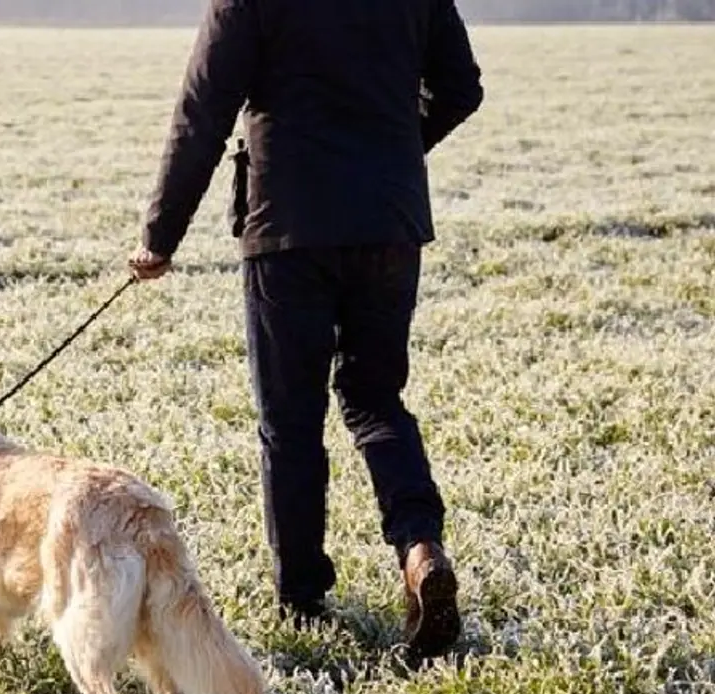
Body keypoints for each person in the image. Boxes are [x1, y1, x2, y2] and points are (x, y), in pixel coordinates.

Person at [127, 0, 483, 660]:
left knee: (290, 421)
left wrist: (160, 236)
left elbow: (202, 116)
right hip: (389, 222)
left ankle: (302, 596)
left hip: (287, 227)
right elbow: (462, 88)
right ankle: (420, 548)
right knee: (376, 401)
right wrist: (396, 150)